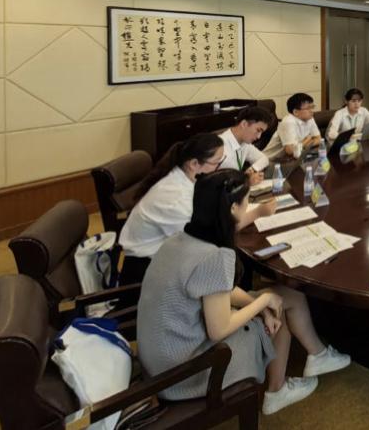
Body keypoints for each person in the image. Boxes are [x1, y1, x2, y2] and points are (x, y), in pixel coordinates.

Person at [137, 170, 351, 415]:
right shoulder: (215, 256)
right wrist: (262, 303)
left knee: (286, 296)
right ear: (232, 209)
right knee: (276, 308)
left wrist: (257, 302)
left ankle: (318, 355)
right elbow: (218, 329)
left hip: (160, 359)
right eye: (247, 202)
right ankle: (277, 391)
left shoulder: (179, 240)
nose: (249, 207)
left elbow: (217, 290)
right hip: (185, 372)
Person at [119, 133, 275, 283]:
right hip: (147, 269)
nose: (219, 168)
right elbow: (212, 234)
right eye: (217, 163)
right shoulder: (177, 198)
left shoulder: (185, 177)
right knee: (228, 264)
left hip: (167, 254)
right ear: (194, 164)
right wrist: (258, 212)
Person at [218, 105, 275, 186]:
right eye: (258, 130)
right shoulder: (220, 146)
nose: (259, 137)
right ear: (244, 124)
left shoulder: (245, 143)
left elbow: (264, 159)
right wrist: (246, 181)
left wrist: (252, 171)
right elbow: (218, 185)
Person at [263, 93, 323, 160]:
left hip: (291, 159)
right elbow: (290, 151)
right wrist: (307, 140)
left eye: (312, 107)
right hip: (270, 160)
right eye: (308, 108)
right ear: (295, 112)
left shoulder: (309, 118)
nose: (312, 111)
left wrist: (303, 144)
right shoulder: (288, 122)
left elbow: (318, 139)